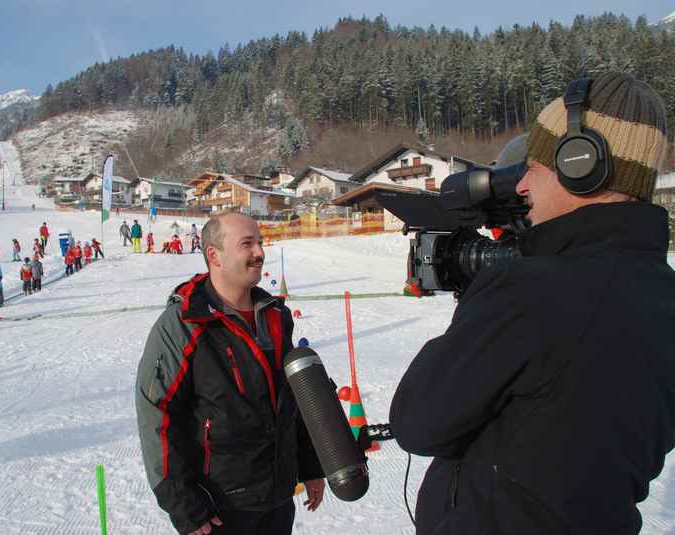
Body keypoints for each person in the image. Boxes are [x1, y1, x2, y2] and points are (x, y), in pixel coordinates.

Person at [388, 73, 675, 535]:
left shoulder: (530, 291)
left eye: (534, 168)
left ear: (580, 162)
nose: (521, 189)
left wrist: (482, 304)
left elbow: (418, 423)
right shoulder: (663, 295)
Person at [136, 212, 325, 535]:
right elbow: (157, 414)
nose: (259, 252)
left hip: (277, 500)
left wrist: (310, 465)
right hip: (219, 509)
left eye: (261, 242)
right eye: (247, 244)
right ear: (214, 256)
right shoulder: (184, 324)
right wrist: (183, 503)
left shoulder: (275, 316)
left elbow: (292, 399)